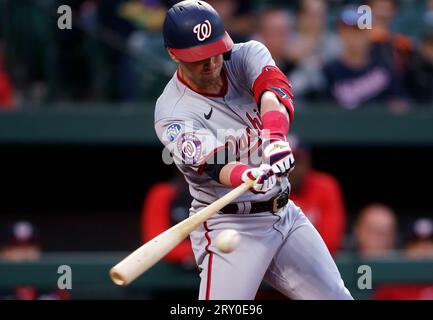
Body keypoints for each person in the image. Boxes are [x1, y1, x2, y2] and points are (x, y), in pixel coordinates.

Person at [154, 0, 352, 300]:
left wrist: (275, 139)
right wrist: (247, 173)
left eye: (215, 52)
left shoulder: (247, 54)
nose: (211, 64)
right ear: (173, 54)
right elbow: (213, 163)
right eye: (198, 58)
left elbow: (273, 92)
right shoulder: (172, 112)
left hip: (284, 213)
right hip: (229, 223)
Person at [322, 6, 408, 110]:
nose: (356, 35)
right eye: (351, 30)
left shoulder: (384, 66)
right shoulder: (328, 71)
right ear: (341, 32)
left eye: (361, 30)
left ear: (369, 33)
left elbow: (402, 104)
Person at [288, 135, 346, 255]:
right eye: (286, 162)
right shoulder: (265, 190)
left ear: (308, 163)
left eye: (297, 162)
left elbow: (330, 241)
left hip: (316, 266)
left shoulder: (325, 186)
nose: (291, 169)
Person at [141, 170, 195, 268]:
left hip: (217, 268)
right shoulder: (163, 193)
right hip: (174, 272)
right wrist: (198, 251)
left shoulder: (223, 194)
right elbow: (156, 245)